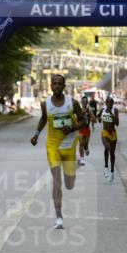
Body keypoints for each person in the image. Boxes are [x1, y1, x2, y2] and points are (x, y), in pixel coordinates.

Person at [30, 74, 86, 230]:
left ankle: (73, 169)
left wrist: (73, 128)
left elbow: (84, 121)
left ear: (64, 86)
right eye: (53, 83)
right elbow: (43, 118)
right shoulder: (45, 104)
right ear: (50, 86)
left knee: (69, 184)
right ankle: (59, 217)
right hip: (52, 145)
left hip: (69, 146)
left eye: (59, 84)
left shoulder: (73, 103)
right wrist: (36, 134)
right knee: (57, 180)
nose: (56, 86)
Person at [100, 95, 119, 183]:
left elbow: (117, 123)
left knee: (112, 153)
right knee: (107, 147)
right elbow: (98, 118)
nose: (109, 104)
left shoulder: (115, 110)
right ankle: (105, 167)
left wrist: (111, 114)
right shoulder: (102, 110)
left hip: (113, 133)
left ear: (113, 103)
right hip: (105, 132)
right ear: (105, 103)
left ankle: (112, 172)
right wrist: (95, 117)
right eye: (108, 102)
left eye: (111, 102)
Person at [77, 94, 93, 166]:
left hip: (87, 129)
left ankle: (86, 149)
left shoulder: (89, 111)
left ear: (87, 103)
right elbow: (75, 119)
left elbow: (94, 120)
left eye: (86, 102)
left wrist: (90, 118)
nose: (84, 103)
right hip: (80, 129)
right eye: (83, 102)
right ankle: (82, 159)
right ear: (81, 102)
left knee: (85, 144)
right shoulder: (79, 111)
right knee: (81, 144)